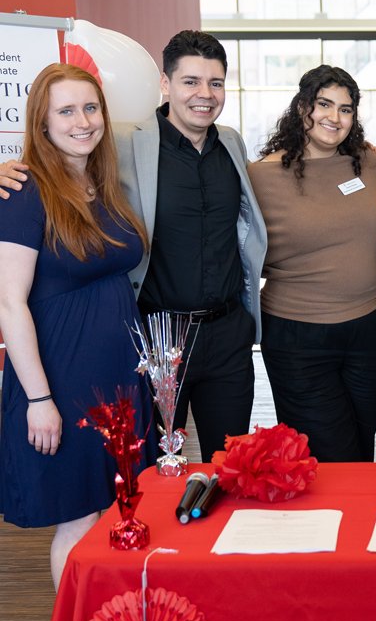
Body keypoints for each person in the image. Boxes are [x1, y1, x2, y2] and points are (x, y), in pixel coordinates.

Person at [0, 33, 266, 460]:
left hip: (228, 336)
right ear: (165, 83)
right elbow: (58, 156)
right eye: (190, 81)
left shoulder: (231, 143)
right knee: (156, 465)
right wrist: (6, 169)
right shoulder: (123, 141)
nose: (204, 94)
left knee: (230, 462)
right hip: (157, 335)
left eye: (215, 83)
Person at [0, 64, 152, 587]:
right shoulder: (24, 190)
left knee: (121, 505)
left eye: (91, 108)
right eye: (66, 111)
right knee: (80, 517)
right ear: (42, 123)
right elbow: (8, 305)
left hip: (117, 376)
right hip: (61, 379)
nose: (82, 121)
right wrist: (39, 400)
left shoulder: (100, 183)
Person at [249, 65, 376, 461]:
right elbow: (243, 254)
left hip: (372, 329)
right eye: (323, 104)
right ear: (301, 109)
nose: (335, 117)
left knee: (362, 447)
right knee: (329, 456)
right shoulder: (260, 176)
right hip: (299, 338)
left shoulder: (369, 163)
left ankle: (354, 522)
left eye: (346, 109)